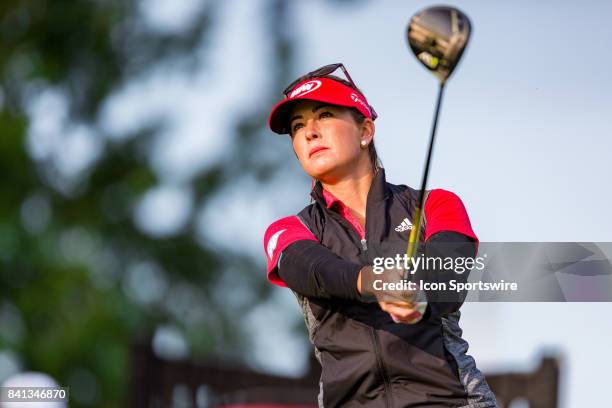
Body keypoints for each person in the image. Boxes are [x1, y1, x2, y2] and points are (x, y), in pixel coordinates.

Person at [263, 63, 498, 408]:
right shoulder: (290, 230)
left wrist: (416, 291)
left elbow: (449, 276)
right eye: (298, 127)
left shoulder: (435, 204)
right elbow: (311, 268)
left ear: (365, 131)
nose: (309, 132)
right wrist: (373, 280)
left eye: (324, 115)